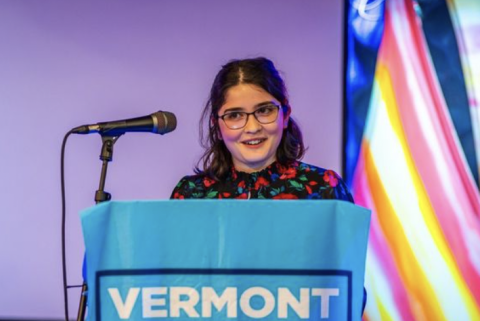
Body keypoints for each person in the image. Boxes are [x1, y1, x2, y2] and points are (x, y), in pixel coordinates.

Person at [171, 57, 353, 202]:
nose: (252, 128)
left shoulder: (324, 188)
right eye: (235, 115)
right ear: (217, 126)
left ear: (285, 116)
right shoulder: (191, 194)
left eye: (264, 111)